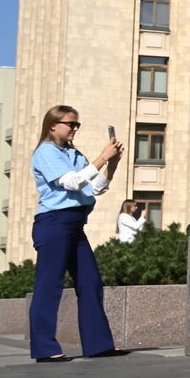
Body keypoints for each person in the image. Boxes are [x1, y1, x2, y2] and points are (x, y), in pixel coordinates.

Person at [29, 105, 131, 362]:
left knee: (90, 282)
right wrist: (101, 157)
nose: (75, 128)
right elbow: (72, 182)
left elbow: (94, 188)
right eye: (70, 124)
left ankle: (98, 345)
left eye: (77, 125)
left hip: (75, 225)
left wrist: (112, 164)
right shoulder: (45, 152)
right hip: (53, 223)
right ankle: (44, 349)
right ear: (53, 125)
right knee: (49, 285)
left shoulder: (75, 154)